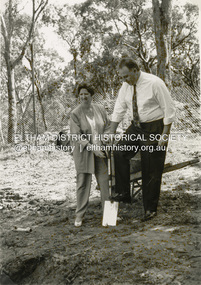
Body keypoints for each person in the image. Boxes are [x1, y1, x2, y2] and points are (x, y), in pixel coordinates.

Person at [109, 58, 176, 221]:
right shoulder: (125, 86)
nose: (124, 80)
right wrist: (111, 132)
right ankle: (124, 192)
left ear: (135, 70)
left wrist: (164, 135)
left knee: (150, 167)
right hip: (137, 126)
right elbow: (119, 109)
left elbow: (169, 109)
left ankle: (150, 209)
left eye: (126, 76)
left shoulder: (155, 83)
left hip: (155, 127)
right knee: (119, 151)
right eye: (122, 77)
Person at [70, 83, 110, 227]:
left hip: (101, 152)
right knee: (83, 185)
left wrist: (105, 139)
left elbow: (108, 126)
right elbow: (76, 136)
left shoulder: (100, 109)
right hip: (84, 154)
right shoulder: (75, 113)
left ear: (91, 95)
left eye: (86, 94)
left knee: (106, 184)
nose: (83, 97)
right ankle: (79, 215)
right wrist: (93, 148)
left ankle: (109, 216)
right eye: (80, 94)